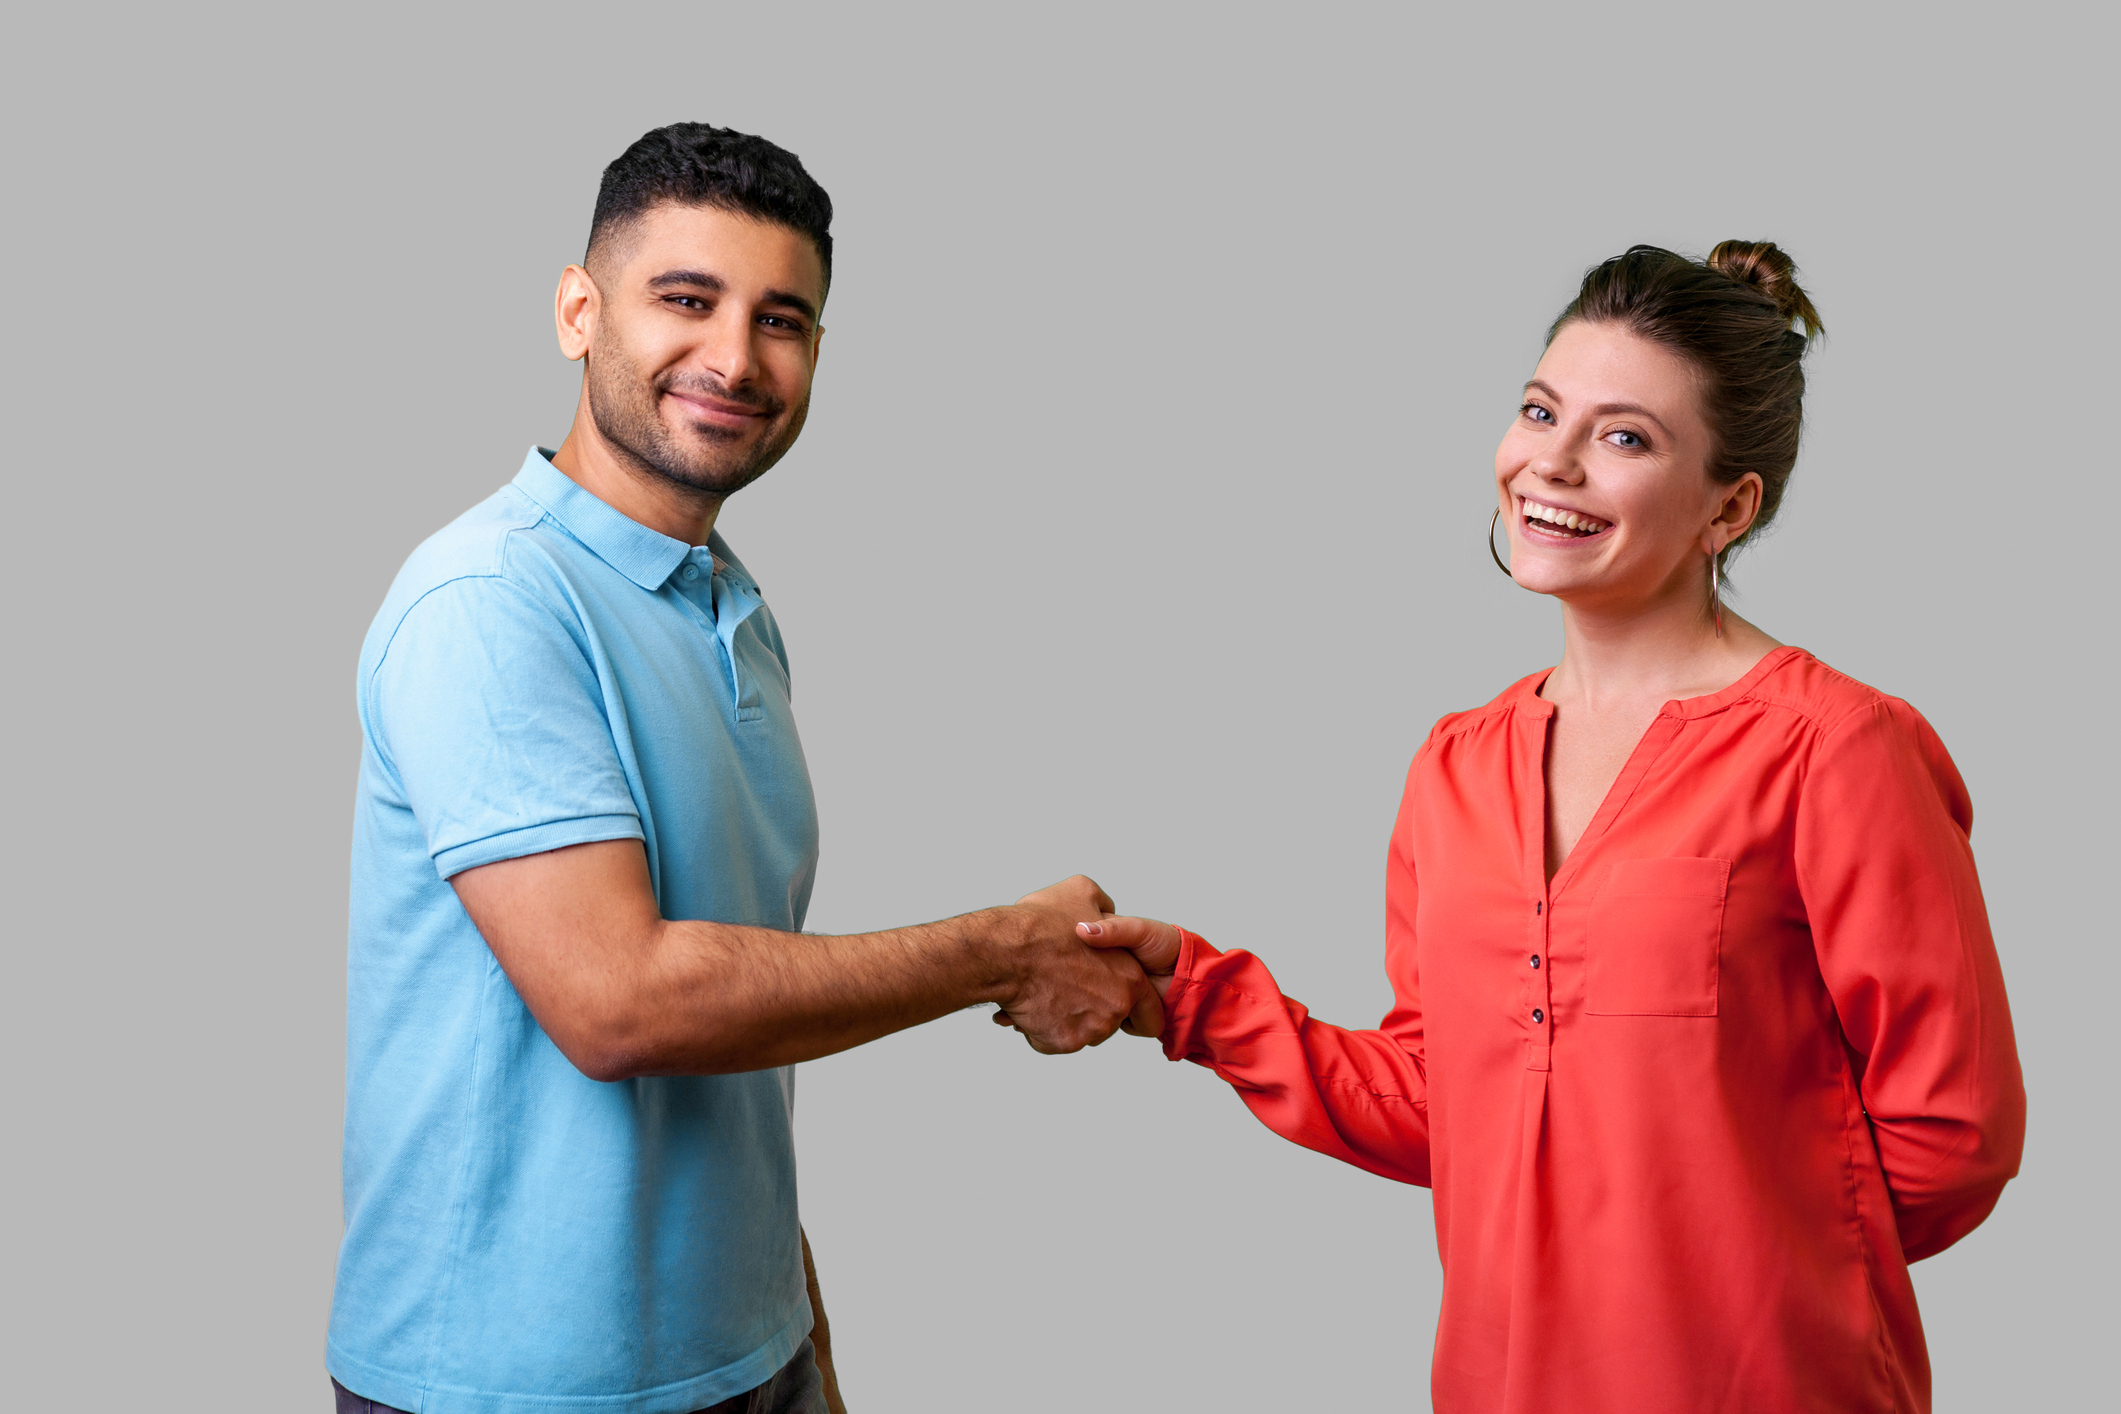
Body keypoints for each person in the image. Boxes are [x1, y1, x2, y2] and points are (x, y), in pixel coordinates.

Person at [1065, 244, 2026, 1413]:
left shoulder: (1837, 748)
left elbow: (1954, 1136)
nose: (1550, 464)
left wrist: (1747, 1273)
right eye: (1539, 410)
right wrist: (1197, 996)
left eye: (1626, 438)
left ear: (1730, 506)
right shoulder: (1455, 765)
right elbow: (1445, 1101)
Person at [329, 124, 1160, 1414]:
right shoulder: (490, 602)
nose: (733, 356)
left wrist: (800, 1332)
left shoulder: (730, 609)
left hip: (743, 1358)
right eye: (685, 299)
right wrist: (1006, 949)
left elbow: (739, 1017)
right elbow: (622, 1004)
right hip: (513, 1383)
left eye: (783, 319)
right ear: (576, 311)